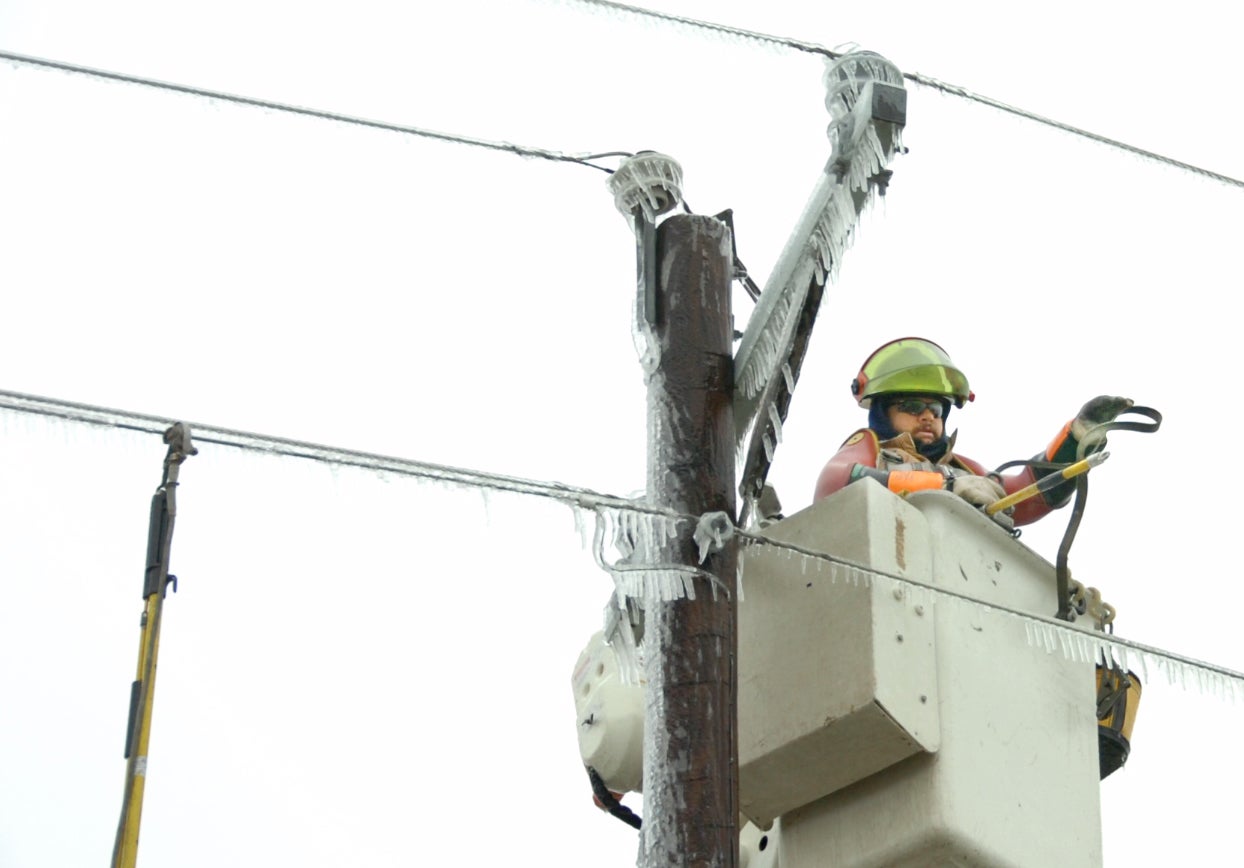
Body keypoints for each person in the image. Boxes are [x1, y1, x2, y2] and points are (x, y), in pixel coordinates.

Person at [813, 337, 1132, 527]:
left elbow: (1027, 494)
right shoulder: (871, 449)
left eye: (935, 410)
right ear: (883, 413)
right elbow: (835, 480)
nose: (927, 417)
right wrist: (945, 487)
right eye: (911, 407)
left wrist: (1078, 437)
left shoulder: (964, 468)